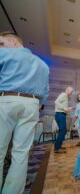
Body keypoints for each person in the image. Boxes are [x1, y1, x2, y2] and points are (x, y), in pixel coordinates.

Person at [0, 32, 49, 194]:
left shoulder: (5, 53)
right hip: (32, 104)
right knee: (21, 153)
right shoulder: (43, 64)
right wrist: (37, 106)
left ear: (13, 41)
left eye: (1, 43)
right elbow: (45, 92)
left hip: (6, 99)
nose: (1, 47)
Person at [54, 86, 74, 153]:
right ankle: (57, 147)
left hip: (61, 114)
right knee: (63, 131)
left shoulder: (65, 96)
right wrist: (65, 108)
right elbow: (56, 102)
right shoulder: (64, 95)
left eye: (71, 92)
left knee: (62, 131)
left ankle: (58, 146)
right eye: (70, 92)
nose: (71, 93)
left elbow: (64, 107)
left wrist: (70, 108)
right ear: (67, 90)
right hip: (60, 114)